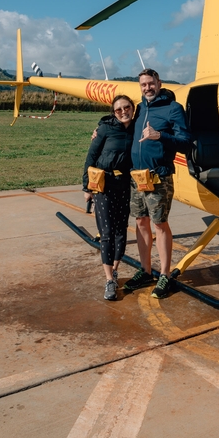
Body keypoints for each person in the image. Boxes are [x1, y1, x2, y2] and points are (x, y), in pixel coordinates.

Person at [123, 68, 191, 299]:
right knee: (141, 222)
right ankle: (145, 270)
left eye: (151, 84)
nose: (147, 88)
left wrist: (160, 136)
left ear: (159, 83)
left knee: (159, 224)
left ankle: (164, 274)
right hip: (137, 177)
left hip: (158, 177)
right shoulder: (140, 108)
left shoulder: (173, 109)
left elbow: (185, 143)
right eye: (143, 85)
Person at [83, 95, 135, 301]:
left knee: (121, 231)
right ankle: (108, 280)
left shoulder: (137, 127)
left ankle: (114, 270)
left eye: (126, 107)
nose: (123, 112)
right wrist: (86, 186)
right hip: (104, 184)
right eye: (118, 109)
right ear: (113, 112)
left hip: (124, 185)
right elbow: (91, 157)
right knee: (106, 232)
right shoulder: (105, 128)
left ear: (133, 108)